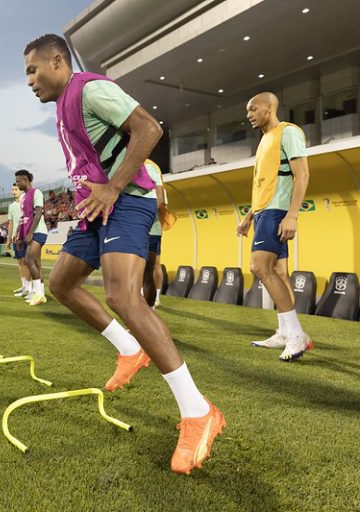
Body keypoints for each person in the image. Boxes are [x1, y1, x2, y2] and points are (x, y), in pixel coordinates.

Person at [23, 33, 224, 474]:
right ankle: (130, 349)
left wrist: (113, 187)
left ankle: (198, 413)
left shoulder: (91, 89)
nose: (30, 81)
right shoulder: (62, 106)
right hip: (97, 208)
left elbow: (149, 129)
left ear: (58, 61)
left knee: (124, 297)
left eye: (33, 70)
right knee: (60, 283)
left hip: (128, 199)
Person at [237, 92, 314, 360]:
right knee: (279, 272)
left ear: (269, 108)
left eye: (253, 109)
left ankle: (296, 335)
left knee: (259, 267)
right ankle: (284, 332)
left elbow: (302, 174)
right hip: (262, 212)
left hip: (277, 212)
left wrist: (292, 215)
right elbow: (264, 183)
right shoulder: (264, 140)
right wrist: (249, 216)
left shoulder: (288, 132)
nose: (249, 114)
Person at [15, 169, 49, 306]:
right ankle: (40, 294)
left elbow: (39, 212)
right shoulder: (23, 197)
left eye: (18, 181)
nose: (17, 184)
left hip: (38, 232)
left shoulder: (36, 192)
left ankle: (38, 294)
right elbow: (23, 218)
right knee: (36, 263)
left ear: (25, 180)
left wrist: (30, 233)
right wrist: (19, 237)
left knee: (29, 260)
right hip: (29, 233)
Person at [142, 159, 167, 309]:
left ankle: (155, 298)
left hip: (151, 226)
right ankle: (141, 298)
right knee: (141, 265)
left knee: (153, 265)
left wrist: (145, 216)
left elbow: (160, 199)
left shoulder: (150, 166)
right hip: (143, 226)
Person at [7, 183, 32, 297]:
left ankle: (29, 288)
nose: (13, 191)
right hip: (15, 238)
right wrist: (9, 238)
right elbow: (11, 223)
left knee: (27, 262)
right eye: (12, 189)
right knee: (20, 262)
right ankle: (24, 286)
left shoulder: (26, 203)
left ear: (21, 191)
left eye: (16, 189)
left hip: (24, 236)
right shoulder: (11, 206)